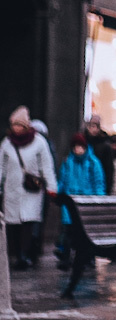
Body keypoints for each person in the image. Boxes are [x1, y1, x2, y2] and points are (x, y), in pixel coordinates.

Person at [0, 107, 57, 270]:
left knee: (28, 223)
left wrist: (52, 188)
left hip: (31, 191)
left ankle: (24, 256)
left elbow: (47, 166)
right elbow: (1, 167)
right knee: (13, 225)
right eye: (14, 125)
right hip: (12, 190)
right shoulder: (6, 143)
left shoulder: (39, 142)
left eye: (19, 125)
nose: (16, 128)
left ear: (25, 126)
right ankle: (17, 255)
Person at [56, 133, 106, 276]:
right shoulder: (68, 162)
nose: (77, 149)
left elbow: (98, 182)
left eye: (80, 146)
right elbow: (63, 180)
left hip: (86, 203)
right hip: (70, 202)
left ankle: (88, 258)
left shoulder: (92, 162)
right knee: (68, 231)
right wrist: (59, 193)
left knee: (85, 233)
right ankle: (65, 258)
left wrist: (98, 200)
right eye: (75, 147)